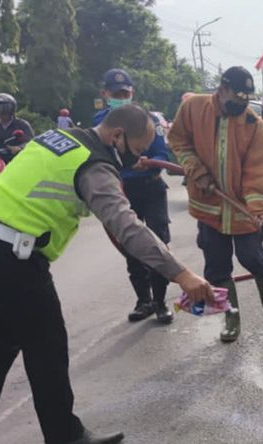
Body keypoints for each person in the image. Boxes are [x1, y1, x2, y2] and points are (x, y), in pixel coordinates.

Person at [0, 105, 216, 444]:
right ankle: (63, 434)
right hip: (11, 258)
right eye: (136, 148)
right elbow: (127, 225)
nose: (138, 157)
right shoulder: (95, 164)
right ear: (117, 137)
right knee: (47, 344)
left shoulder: (58, 137)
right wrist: (183, 275)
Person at [168, 66, 263, 343]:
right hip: (208, 208)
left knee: (253, 259)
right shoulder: (194, 108)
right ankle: (231, 318)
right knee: (217, 268)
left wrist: (258, 209)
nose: (240, 106)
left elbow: (257, 173)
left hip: (242, 210)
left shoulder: (254, 126)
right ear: (221, 90)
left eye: (246, 100)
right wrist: (196, 170)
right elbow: (178, 140)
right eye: (236, 98)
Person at [94, 68, 174, 324]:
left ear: (132, 93)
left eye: (125, 93)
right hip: (123, 192)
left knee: (158, 242)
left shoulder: (148, 119)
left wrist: (149, 162)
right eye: (116, 93)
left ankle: (161, 302)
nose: (121, 96)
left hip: (151, 188)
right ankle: (144, 300)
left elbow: (164, 155)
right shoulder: (101, 123)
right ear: (105, 94)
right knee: (131, 245)